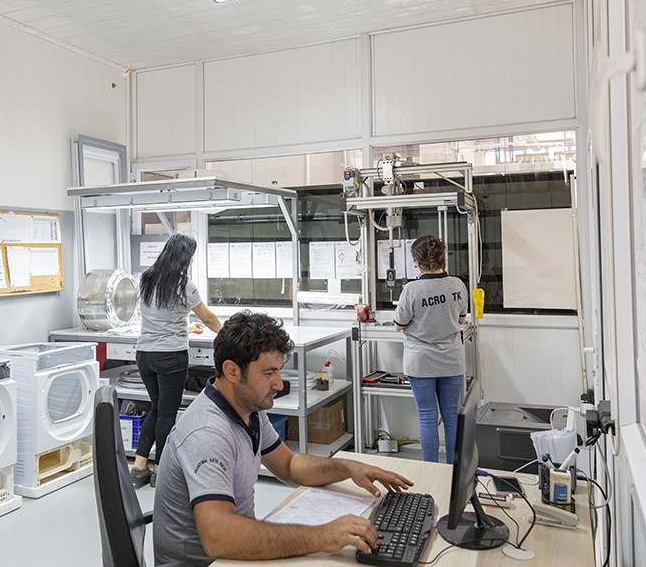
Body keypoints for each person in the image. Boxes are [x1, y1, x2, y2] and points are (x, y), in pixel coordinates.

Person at [153, 310, 413, 566]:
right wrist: (322, 536)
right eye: (268, 373)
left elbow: (289, 465)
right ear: (232, 371)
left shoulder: (247, 409)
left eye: (279, 371)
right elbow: (218, 537)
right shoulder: (207, 433)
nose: (278, 384)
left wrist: (348, 468)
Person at [130, 232, 223, 488]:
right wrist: (228, 334)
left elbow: (159, 317)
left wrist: (184, 327)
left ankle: (138, 467)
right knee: (167, 414)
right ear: (186, 256)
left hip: (145, 355)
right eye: (192, 255)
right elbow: (208, 318)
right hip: (170, 356)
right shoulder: (184, 285)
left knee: (156, 408)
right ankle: (159, 471)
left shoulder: (147, 278)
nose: (193, 260)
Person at [395, 235, 469, 464]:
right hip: (451, 359)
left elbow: (399, 324)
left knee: (427, 418)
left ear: (417, 261)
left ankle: (431, 471)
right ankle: (454, 472)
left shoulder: (412, 289)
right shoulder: (457, 284)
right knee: (452, 418)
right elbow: (461, 319)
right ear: (442, 258)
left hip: (421, 362)